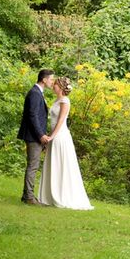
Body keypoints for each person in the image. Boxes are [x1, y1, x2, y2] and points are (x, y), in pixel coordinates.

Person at [38, 76, 93, 210]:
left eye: (55, 84)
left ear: (61, 87)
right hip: (54, 136)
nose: (53, 86)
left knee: (61, 164)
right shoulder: (57, 100)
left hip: (60, 136)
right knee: (53, 164)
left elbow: (61, 120)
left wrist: (52, 136)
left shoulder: (65, 101)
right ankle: (49, 195)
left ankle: (62, 195)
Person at [17, 69, 54, 205]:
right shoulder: (34, 93)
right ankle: (29, 198)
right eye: (51, 79)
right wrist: (41, 135)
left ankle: (26, 195)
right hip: (33, 136)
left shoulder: (38, 92)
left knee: (33, 165)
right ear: (44, 80)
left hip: (35, 135)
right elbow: (32, 116)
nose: (52, 82)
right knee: (32, 166)